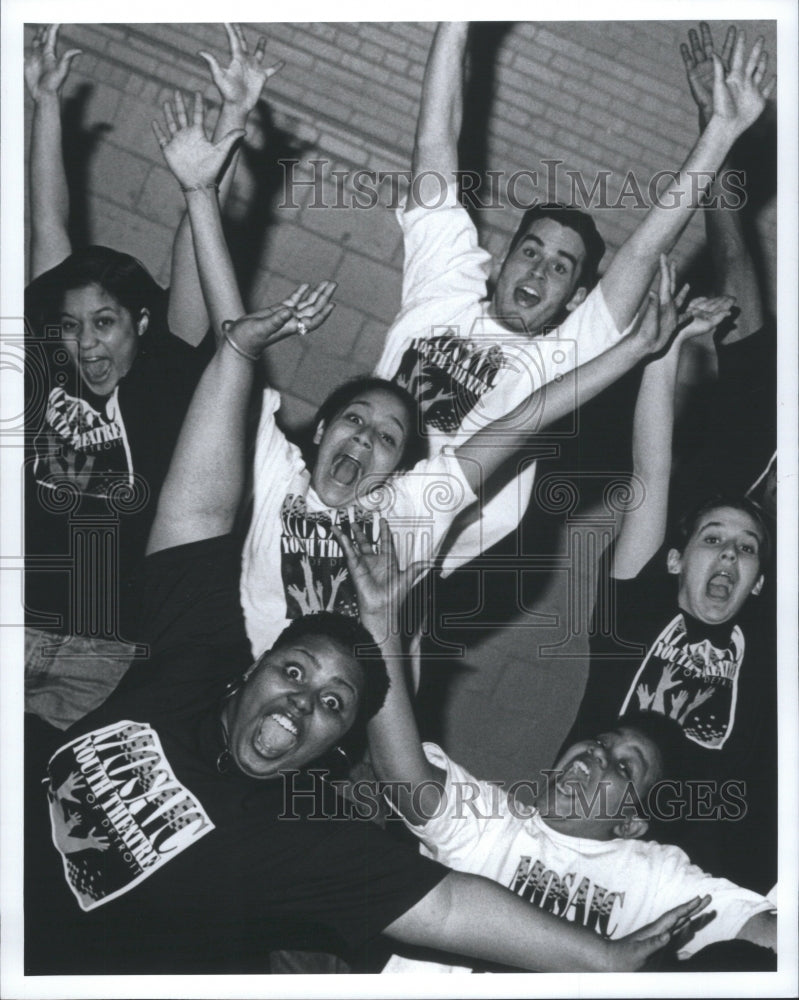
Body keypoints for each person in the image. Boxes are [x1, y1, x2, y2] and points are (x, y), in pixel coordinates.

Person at [23, 238, 712, 981]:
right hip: (221, 691)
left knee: (311, 911)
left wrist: (632, 351)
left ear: (400, 468)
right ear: (319, 430)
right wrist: (199, 198)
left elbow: (520, 424)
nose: (365, 439)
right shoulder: (272, 475)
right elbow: (231, 354)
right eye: (354, 420)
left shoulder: (408, 510)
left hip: (342, 758)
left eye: (388, 438)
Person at [374, 22, 774, 574]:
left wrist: (720, 134)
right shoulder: (443, 294)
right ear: (505, 257)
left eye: (560, 267)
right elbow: (435, 145)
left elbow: (640, 252)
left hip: (404, 555)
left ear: (576, 297)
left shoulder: (561, 356)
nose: (538, 269)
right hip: (340, 499)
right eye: (531, 252)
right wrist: (454, 22)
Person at [333, 519, 776, 974]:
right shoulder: (493, 825)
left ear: (630, 824)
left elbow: (765, 930)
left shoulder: (651, 877)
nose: (598, 756)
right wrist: (380, 626)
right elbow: (401, 773)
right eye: (601, 743)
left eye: (624, 769)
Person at [24, 24, 280, 728]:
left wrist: (232, 122)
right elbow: (49, 222)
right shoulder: (52, 368)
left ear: (140, 321)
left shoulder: (166, 372)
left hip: (101, 650)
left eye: (103, 323)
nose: (85, 342)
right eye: (72, 326)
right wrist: (45, 101)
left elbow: (193, 235)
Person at [564, 253, 776, 893]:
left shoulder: (769, 644)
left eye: (748, 549)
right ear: (677, 560)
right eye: (715, 540)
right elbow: (650, 473)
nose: (732, 556)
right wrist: (666, 350)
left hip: (715, 880)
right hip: (588, 844)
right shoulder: (635, 611)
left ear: (761, 582)